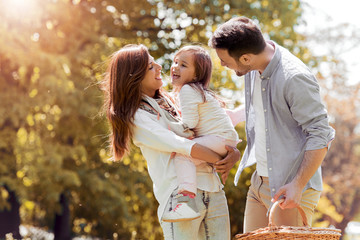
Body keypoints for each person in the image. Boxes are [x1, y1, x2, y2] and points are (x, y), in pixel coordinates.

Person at [208, 16, 335, 233]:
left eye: (224, 60)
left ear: (246, 58)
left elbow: (321, 134)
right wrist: (236, 115)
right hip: (260, 183)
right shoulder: (253, 67)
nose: (222, 64)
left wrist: (297, 185)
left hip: (290, 188)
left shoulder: (294, 78)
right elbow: (267, 106)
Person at [102, 44, 240, 239]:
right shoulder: (138, 117)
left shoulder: (176, 99)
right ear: (133, 76)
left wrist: (234, 153)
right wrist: (224, 157)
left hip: (213, 190)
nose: (159, 66)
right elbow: (181, 145)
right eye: (150, 66)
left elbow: (213, 126)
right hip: (180, 198)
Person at [161, 45, 242, 223]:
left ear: (196, 75)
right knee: (191, 152)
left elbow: (189, 123)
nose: (175, 67)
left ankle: (186, 203)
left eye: (183, 65)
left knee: (183, 155)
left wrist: (169, 128)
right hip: (224, 139)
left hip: (219, 138)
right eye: (175, 62)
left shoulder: (188, 90)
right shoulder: (198, 91)